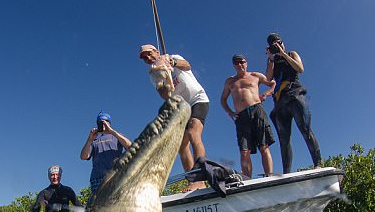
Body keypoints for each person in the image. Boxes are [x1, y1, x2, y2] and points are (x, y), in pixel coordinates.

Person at [139, 44, 209, 191]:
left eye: (150, 54)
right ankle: (192, 180)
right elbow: (165, 96)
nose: (148, 58)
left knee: (193, 132)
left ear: (156, 51)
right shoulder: (153, 73)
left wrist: (171, 62)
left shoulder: (174, 57)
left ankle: (201, 180)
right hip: (182, 108)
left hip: (197, 99)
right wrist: (162, 80)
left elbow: (187, 65)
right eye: (145, 58)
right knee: (181, 145)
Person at [265, 32, 322, 173]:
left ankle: (318, 163)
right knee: (284, 139)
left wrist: (283, 54)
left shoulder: (291, 54)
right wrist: (272, 58)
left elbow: (300, 68)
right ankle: (287, 173)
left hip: (295, 95)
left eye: (279, 42)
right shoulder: (271, 61)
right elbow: (268, 79)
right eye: (274, 44)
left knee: (305, 129)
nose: (277, 45)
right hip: (279, 101)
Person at [220, 54, 276, 178]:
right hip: (241, 116)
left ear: (246, 63)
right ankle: (247, 180)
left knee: (263, 146)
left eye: (242, 62)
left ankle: (269, 176)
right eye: (237, 63)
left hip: (257, 110)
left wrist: (265, 94)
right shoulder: (230, 81)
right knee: (244, 150)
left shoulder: (256, 76)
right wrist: (230, 113)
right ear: (234, 65)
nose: (240, 64)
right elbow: (223, 100)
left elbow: (273, 83)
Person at [80, 111, 132, 192]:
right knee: (98, 204)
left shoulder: (117, 136)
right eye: (100, 122)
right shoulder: (94, 139)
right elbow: (83, 157)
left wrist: (112, 132)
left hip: (115, 175)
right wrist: (90, 139)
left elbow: (130, 146)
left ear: (109, 123)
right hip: (97, 178)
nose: (102, 124)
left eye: (105, 122)